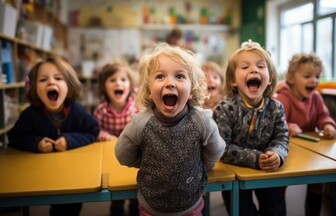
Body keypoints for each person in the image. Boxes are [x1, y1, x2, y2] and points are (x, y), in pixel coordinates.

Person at [115, 42, 226, 216]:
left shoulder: (201, 121)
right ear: (149, 89)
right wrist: (147, 161)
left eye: (180, 76)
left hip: (192, 207)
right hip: (150, 208)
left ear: (191, 90)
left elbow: (216, 150)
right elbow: (123, 154)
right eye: (160, 76)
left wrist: (200, 166)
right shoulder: (140, 124)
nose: (170, 83)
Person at [7, 56, 99, 216]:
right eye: (43, 79)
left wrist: (70, 140)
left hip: (73, 173)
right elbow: (14, 137)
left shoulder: (76, 111)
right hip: (41, 175)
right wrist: (36, 143)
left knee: (70, 207)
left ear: (69, 86)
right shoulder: (30, 115)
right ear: (34, 88)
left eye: (58, 78)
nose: (51, 83)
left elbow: (93, 130)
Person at [213, 39, 289, 216]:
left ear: (269, 79)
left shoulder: (276, 108)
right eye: (245, 67)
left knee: (276, 210)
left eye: (261, 66)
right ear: (232, 80)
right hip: (234, 175)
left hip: (267, 171)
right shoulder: (226, 108)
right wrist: (255, 158)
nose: (254, 70)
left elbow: (282, 137)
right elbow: (222, 147)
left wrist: (277, 154)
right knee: (242, 211)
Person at [275, 52, 336, 216]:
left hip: (310, 153)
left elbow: (323, 116)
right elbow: (275, 123)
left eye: (317, 76)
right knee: (279, 186)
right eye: (307, 75)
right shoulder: (284, 97)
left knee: (318, 183)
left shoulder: (316, 97)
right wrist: (288, 126)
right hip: (287, 152)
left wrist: (328, 125)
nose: (314, 80)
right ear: (291, 78)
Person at [93, 60, 140, 216]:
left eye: (123, 79)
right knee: (116, 187)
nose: (118, 83)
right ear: (104, 87)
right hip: (111, 157)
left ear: (130, 85)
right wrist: (104, 135)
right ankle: (116, 206)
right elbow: (95, 130)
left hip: (134, 157)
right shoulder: (101, 110)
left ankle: (135, 206)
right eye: (112, 80)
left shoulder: (136, 107)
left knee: (134, 187)